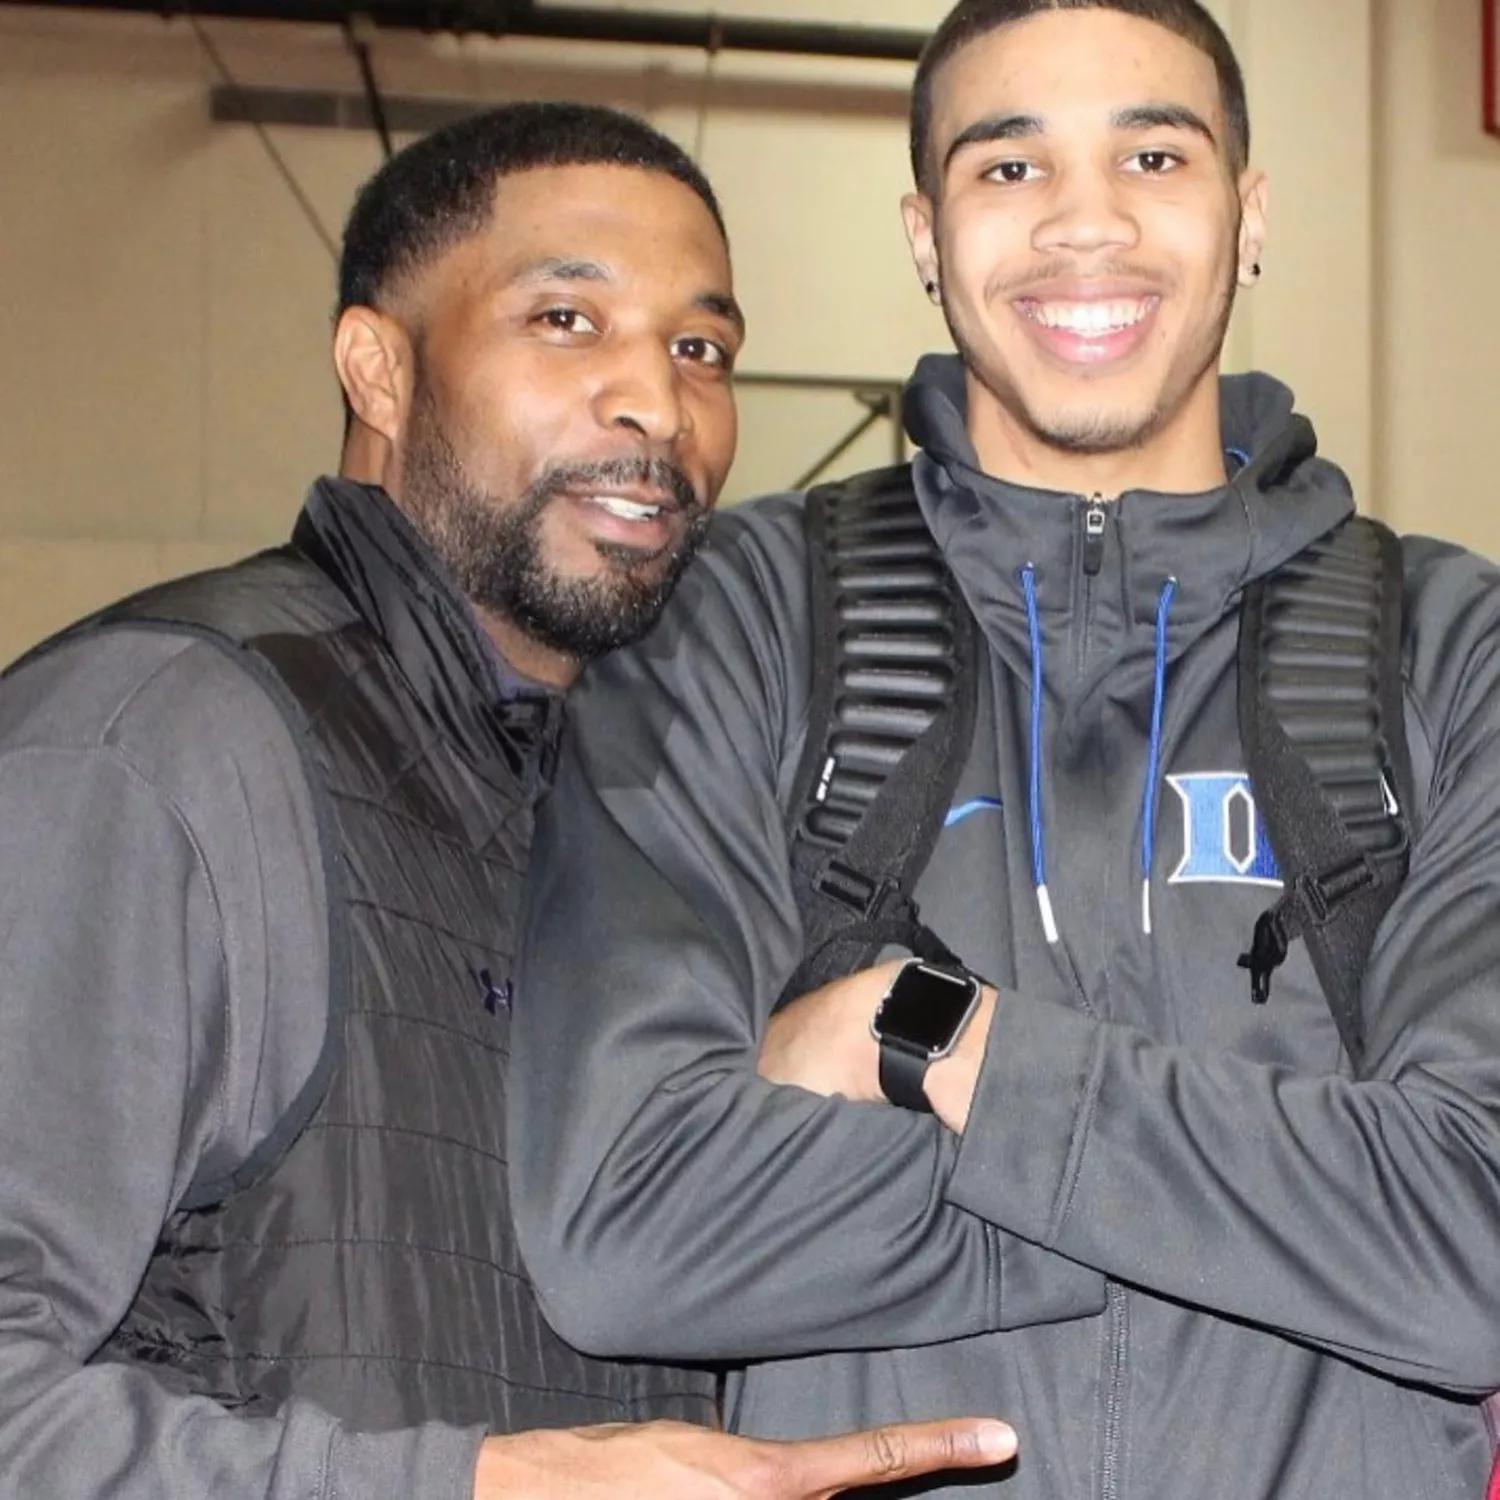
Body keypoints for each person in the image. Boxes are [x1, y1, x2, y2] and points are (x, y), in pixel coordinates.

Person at [510, 7, 1500, 1498]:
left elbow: (1473, 1247)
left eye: (1153, 154)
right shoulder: (742, 620)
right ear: (926, 232)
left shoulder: (1447, 647)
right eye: (1009, 167)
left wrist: (945, 1041)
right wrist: (1299, 1208)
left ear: (1249, 213)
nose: (1084, 224)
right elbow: (621, 1227)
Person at [0, 102, 1018, 1500]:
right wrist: (485, 1487)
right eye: (566, 321)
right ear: (379, 367)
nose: (656, 402)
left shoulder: (673, 806)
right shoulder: (160, 748)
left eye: (700, 349)